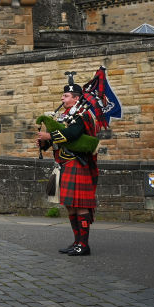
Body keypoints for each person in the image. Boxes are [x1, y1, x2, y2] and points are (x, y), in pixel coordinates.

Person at [36, 74, 99, 256]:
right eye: (63, 96)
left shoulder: (83, 115)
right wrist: (44, 143)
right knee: (70, 204)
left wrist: (50, 136)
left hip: (77, 163)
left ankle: (84, 245)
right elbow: (59, 141)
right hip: (64, 164)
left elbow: (73, 134)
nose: (62, 99)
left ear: (76, 98)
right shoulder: (63, 116)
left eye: (66, 96)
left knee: (80, 204)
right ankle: (77, 241)